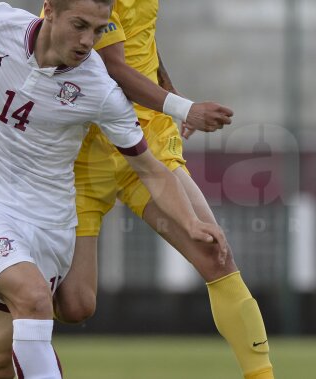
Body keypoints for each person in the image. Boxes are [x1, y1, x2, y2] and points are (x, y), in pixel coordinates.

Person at [0, 0, 229, 378]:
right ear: (49, 10)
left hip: (51, 223)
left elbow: (150, 169)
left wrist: (191, 223)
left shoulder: (99, 88)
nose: (87, 40)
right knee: (32, 297)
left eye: (98, 30)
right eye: (79, 25)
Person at [46, 2, 275, 379]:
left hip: (145, 141)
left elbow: (140, 36)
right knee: (76, 306)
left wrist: (163, 81)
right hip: (79, 155)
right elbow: (111, 64)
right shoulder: (84, 6)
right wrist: (185, 108)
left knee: (214, 254)